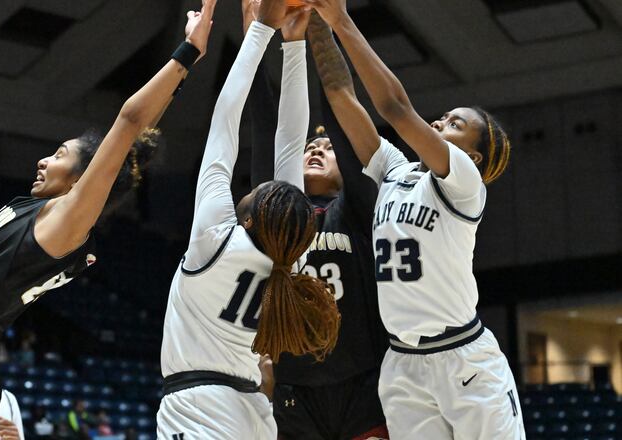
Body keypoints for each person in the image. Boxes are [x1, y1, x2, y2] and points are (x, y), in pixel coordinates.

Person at [0, 3, 217, 439]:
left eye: (60, 154)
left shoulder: (66, 219)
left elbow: (128, 120)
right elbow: (134, 136)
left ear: (84, 176)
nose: (44, 160)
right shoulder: (52, 215)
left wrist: (188, 52)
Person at [301, 0, 521, 438]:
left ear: (472, 155)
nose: (440, 121)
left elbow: (396, 109)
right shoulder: (396, 172)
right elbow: (343, 97)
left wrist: (342, 19)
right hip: (402, 362)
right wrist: (316, 22)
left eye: (455, 123)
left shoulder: (463, 185)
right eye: (444, 116)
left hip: (462, 357)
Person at [156, 1, 340, 438]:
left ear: (254, 218)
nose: (251, 186)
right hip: (251, 411)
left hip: (201, 408)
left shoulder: (219, 242)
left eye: (254, 193)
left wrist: (262, 33)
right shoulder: (286, 264)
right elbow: (288, 147)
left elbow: (230, 123)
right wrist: (292, 45)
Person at [243, 4, 389, 437]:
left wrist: (320, 25)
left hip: (362, 382)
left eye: (325, 149)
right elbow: (262, 122)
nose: (314, 149)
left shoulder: (358, 207)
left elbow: (343, 120)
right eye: (308, 146)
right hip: (293, 388)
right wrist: (255, 31)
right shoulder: (279, 216)